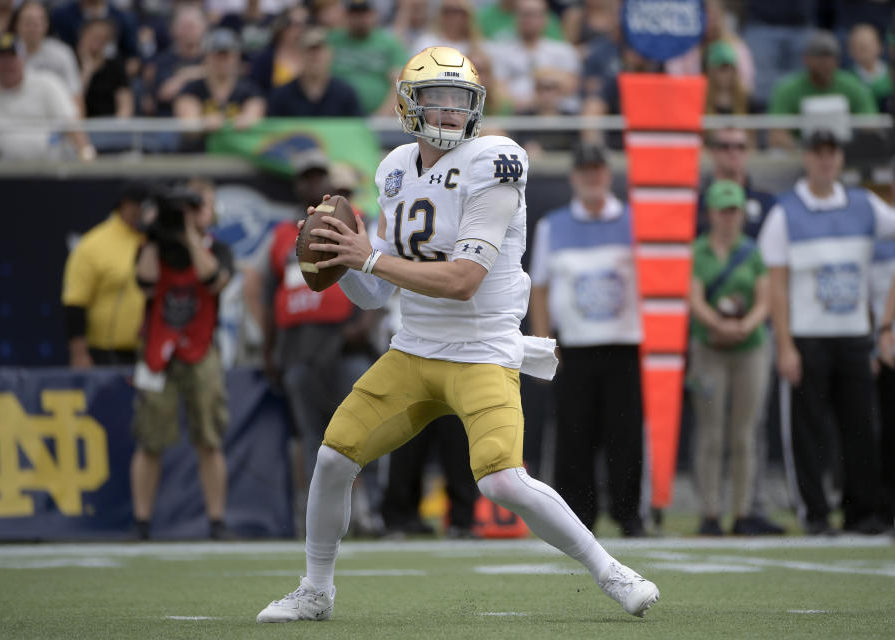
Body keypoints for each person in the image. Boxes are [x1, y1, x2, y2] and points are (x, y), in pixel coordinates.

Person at [255, 45, 659, 624]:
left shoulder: (496, 161)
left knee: (503, 481)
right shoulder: (394, 168)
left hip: (482, 351)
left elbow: (463, 280)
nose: (447, 112)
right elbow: (377, 290)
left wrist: (369, 260)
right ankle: (316, 591)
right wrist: (343, 260)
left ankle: (611, 570)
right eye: (435, 99)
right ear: (407, 105)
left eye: (458, 100)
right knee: (333, 458)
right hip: (413, 350)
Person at [758, 129, 895, 535]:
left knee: (860, 428)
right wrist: (785, 345)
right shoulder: (785, 213)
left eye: (832, 153)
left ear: (840, 159)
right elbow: (777, 287)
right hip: (807, 337)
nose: (826, 161)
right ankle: (815, 513)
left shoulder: (865, 205)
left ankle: (862, 513)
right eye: (818, 153)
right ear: (806, 159)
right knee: (806, 434)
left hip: (854, 335)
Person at [249, 148, 380, 538]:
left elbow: (379, 274)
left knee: (363, 432)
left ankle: (369, 515)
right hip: (299, 346)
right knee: (311, 438)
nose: (312, 183)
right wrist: (269, 345)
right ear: (297, 184)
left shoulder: (355, 224)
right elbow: (262, 289)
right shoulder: (281, 236)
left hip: (344, 343)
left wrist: (367, 323)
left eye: (318, 176)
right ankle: (315, 521)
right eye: (305, 177)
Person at [527, 143, 646, 537]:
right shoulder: (553, 226)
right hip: (574, 349)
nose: (592, 177)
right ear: (574, 177)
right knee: (573, 439)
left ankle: (630, 515)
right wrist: (546, 344)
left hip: (626, 345)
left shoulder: (635, 221)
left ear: (607, 175)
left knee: (626, 436)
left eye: (598, 170)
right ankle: (578, 519)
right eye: (585, 171)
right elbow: (539, 288)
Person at [131, 182, 236, 541]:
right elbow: (144, 284)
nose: (189, 215)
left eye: (197, 207)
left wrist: (191, 237)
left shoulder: (217, 248)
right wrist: (156, 236)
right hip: (157, 349)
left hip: (201, 347)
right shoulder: (153, 249)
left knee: (209, 436)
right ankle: (142, 523)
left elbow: (213, 281)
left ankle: (216, 522)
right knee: (149, 438)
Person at [689, 180, 777, 536]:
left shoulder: (751, 251)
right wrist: (718, 325)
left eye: (734, 211)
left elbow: (765, 299)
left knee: (744, 433)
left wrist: (744, 326)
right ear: (710, 214)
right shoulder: (698, 251)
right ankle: (709, 511)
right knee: (710, 433)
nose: (729, 218)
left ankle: (741, 512)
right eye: (723, 211)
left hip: (749, 347)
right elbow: (693, 297)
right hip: (708, 347)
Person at [0, 33, 95, 161]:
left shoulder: (47, 84)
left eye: (11, 57)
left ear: (23, 60)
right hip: (3, 173)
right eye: (1, 58)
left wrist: (87, 154)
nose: (7, 64)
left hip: (53, 171)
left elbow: (71, 124)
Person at [61, 181, 150, 368]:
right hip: (106, 355)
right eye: (143, 206)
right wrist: (79, 354)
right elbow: (75, 305)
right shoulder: (94, 244)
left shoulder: (156, 241)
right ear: (126, 204)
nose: (147, 212)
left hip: (151, 353)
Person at [871, 151, 895, 532]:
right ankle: (892, 511)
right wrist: (880, 333)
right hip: (891, 344)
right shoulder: (879, 229)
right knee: (891, 430)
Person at [767, 31, 877, 150]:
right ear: (806, 59)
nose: (825, 63)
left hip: (844, 155)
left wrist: (844, 152)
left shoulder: (853, 86)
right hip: (799, 156)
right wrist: (809, 153)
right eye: (819, 56)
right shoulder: (787, 89)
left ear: (837, 60)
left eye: (829, 56)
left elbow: (871, 126)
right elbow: (776, 135)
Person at [0, 1, 81, 103]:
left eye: (39, 21)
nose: (33, 27)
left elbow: (75, 96)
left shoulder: (62, 53)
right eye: (28, 22)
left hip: (49, 121)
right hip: (4, 117)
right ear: (15, 24)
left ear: (47, 24)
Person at [327, 0, 408, 115]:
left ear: (374, 14)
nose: (359, 19)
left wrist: (382, 116)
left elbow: (400, 84)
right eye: (354, 14)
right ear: (345, 16)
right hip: (338, 117)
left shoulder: (388, 43)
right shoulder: (332, 40)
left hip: (379, 117)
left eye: (364, 13)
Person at [265, 26, 361, 117]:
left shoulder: (345, 92)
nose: (315, 56)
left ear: (330, 55)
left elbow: (359, 125)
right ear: (299, 55)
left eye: (320, 50)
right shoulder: (281, 95)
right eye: (309, 50)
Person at [698, 128, 776, 239]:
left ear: (749, 151)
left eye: (740, 147)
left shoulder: (766, 201)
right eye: (724, 147)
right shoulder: (697, 203)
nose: (733, 152)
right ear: (711, 151)